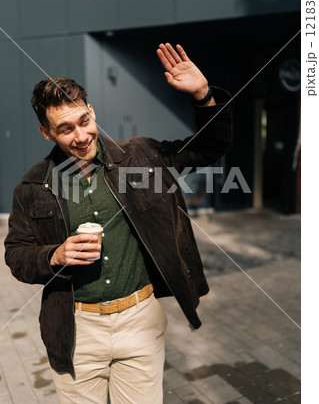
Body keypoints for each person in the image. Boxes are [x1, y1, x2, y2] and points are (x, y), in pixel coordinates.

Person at [5, 43, 232, 403]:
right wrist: (55, 255)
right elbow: (16, 255)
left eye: (84, 121)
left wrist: (203, 97)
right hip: (77, 330)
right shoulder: (32, 187)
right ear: (45, 133)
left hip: (140, 321)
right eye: (65, 130)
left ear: (92, 112)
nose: (81, 136)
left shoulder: (141, 157)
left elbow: (208, 149)